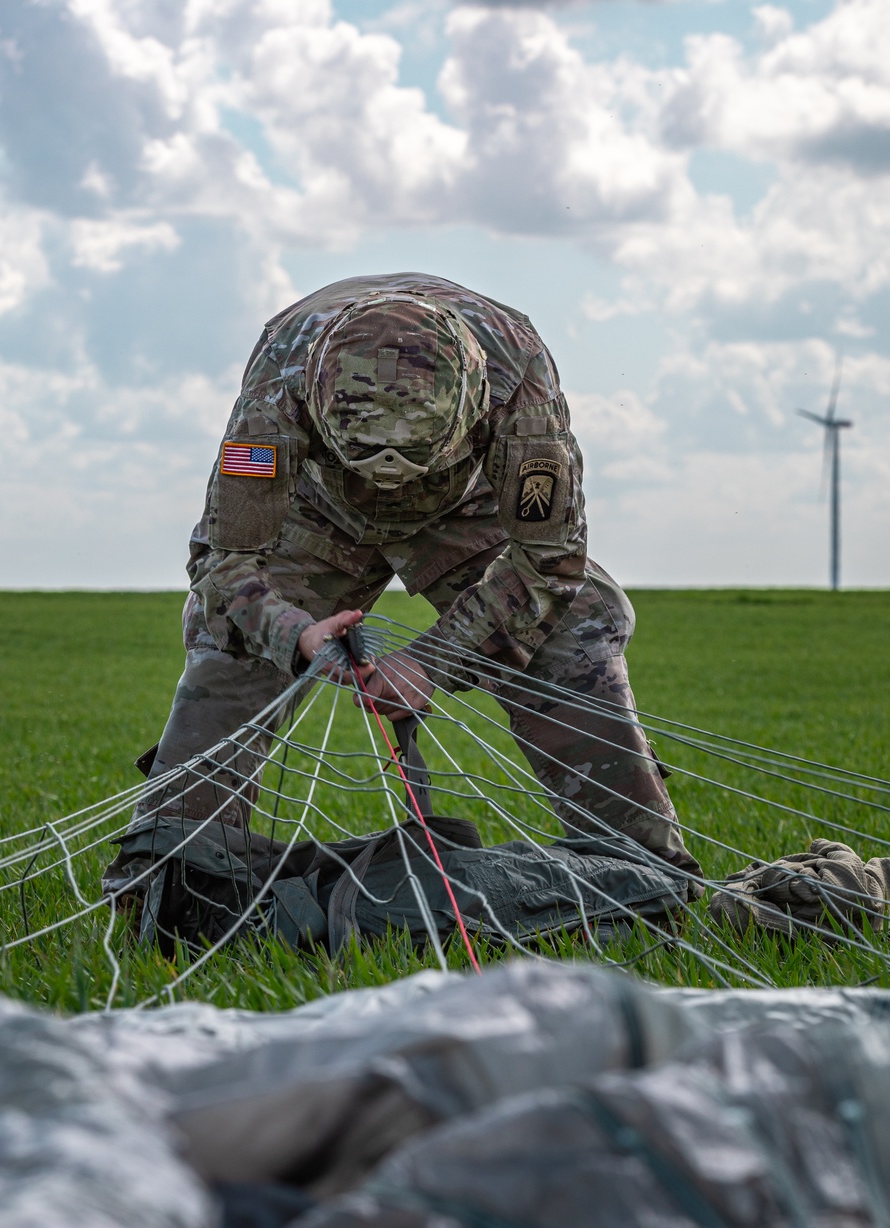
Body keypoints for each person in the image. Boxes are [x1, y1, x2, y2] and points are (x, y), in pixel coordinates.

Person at [105, 273, 701, 895]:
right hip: (319, 512)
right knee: (230, 648)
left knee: (571, 635)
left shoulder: (518, 383)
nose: (388, 484)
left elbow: (549, 560)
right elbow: (226, 564)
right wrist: (295, 634)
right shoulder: (275, 393)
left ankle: (645, 877)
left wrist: (430, 661)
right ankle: (167, 882)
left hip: (465, 508)